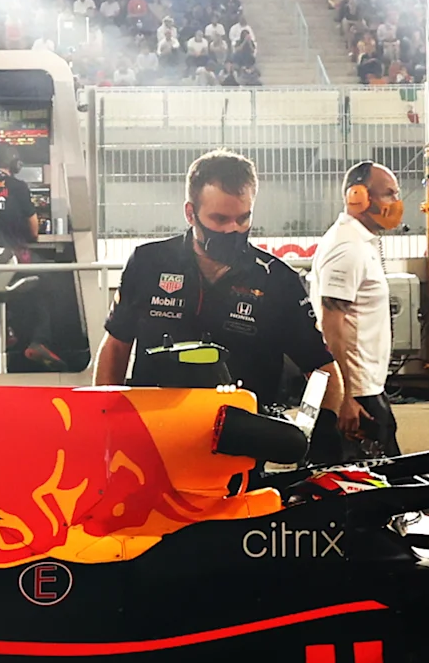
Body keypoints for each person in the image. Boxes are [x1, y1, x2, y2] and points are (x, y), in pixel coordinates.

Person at [97, 149, 329, 409]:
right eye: (220, 219)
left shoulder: (277, 279)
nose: (233, 229)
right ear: (190, 213)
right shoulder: (148, 262)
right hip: (156, 431)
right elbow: (116, 347)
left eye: (243, 218)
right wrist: (104, 416)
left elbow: (322, 369)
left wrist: (321, 426)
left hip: (245, 436)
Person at [310, 162, 405, 460]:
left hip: (364, 386)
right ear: (358, 196)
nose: (396, 202)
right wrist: (345, 397)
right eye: (388, 194)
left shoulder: (359, 242)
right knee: (369, 487)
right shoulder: (347, 247)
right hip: (356, 392)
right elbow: (331, 325)